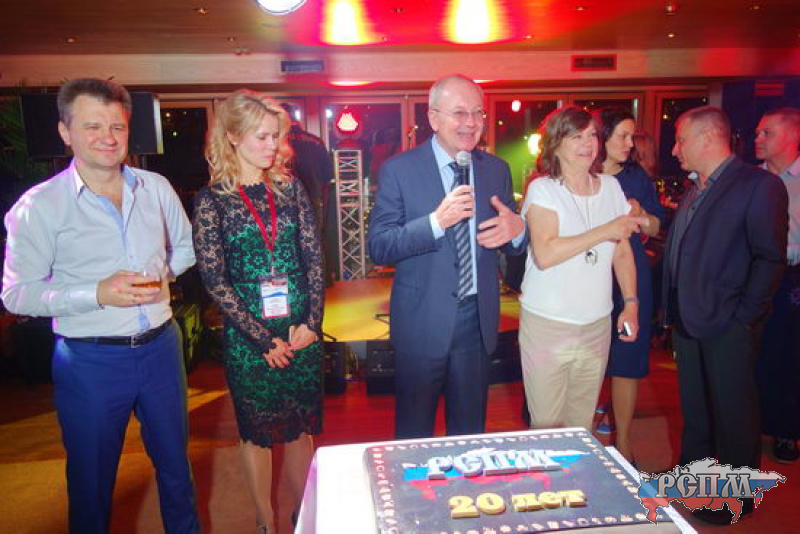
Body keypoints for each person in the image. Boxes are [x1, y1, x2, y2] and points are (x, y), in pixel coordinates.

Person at [1, 78, 199, 533]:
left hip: (161, 349)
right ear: (65, 131)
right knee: (91, 483)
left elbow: (186, 247)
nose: (107, 137)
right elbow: (16, 293)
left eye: (117, 126)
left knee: (176, 468)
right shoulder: (39, 206)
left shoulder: (156, 187)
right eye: (92, 126)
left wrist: (162, 276)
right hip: (89, 360)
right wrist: (95, 293)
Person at [368, 73, 527, 439]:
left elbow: (509, 239)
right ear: (434, 118)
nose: (471, 123)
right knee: (413, 436)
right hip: (421, 320)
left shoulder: (496, 170)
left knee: (469, 435)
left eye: (478, 113)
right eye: (459, 113)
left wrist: (518, 231)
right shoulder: (399, 170)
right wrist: (436, 223)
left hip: (476, 321)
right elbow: (380, 245)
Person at [193, 90, 324, 534]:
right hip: (249, 334)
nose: (273, 145)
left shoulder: (291, 189)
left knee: (301, 426)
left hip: (299, 326)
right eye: (262, 136)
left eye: (275, 136)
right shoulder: (212, 201)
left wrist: (312, 323)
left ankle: (303, 514)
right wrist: (262, 339)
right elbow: (215, 279)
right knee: (257, 431)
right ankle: (266, 522)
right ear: (232, 137)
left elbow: (314, 258)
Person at [663, 105, 787, 524]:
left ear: (706, 139)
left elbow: (770, 258)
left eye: (681, 140)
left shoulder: (759, 185)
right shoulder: (696, 187)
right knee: (696, 410)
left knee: (734, 414)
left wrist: (745, 316)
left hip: (729, 321)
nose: (675, 149)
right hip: (688, 317)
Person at [519, 105, 645, 433]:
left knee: (581, 427)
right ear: (556, 144)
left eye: (591, 135)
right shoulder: (544, 189)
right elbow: (546, 253)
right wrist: (606, 230)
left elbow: (622, 253)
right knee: (547, 425)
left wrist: (631, 303)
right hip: (548, 325)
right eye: (576, 136)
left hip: (596, 325)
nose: (587, 144)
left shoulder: (611, 187)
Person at [593, 107, 665, 463]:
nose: (629, 144)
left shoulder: (636, 177)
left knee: (627, 358)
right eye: (622, 135)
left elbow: (656, 225)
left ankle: (623, 442)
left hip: (630, 278)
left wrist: (641, 214)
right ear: (601, 137)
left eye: (631, 136)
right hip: (590, 276)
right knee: (588, 359)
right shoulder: (581, 174)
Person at [755, 107, 800, 464]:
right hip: (753, 276)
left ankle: (786, 430)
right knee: (752, 353)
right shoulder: (751, 179)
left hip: (792, 277)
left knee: (789, 356)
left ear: (791, 136)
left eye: (766, 133)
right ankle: (751, 424)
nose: (758, 139)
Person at [279, 102, 332, 230]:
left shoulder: (277, 143)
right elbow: (327, 175)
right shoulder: (316, 141)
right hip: (312, 200)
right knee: (313, 237)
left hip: (284, 201)